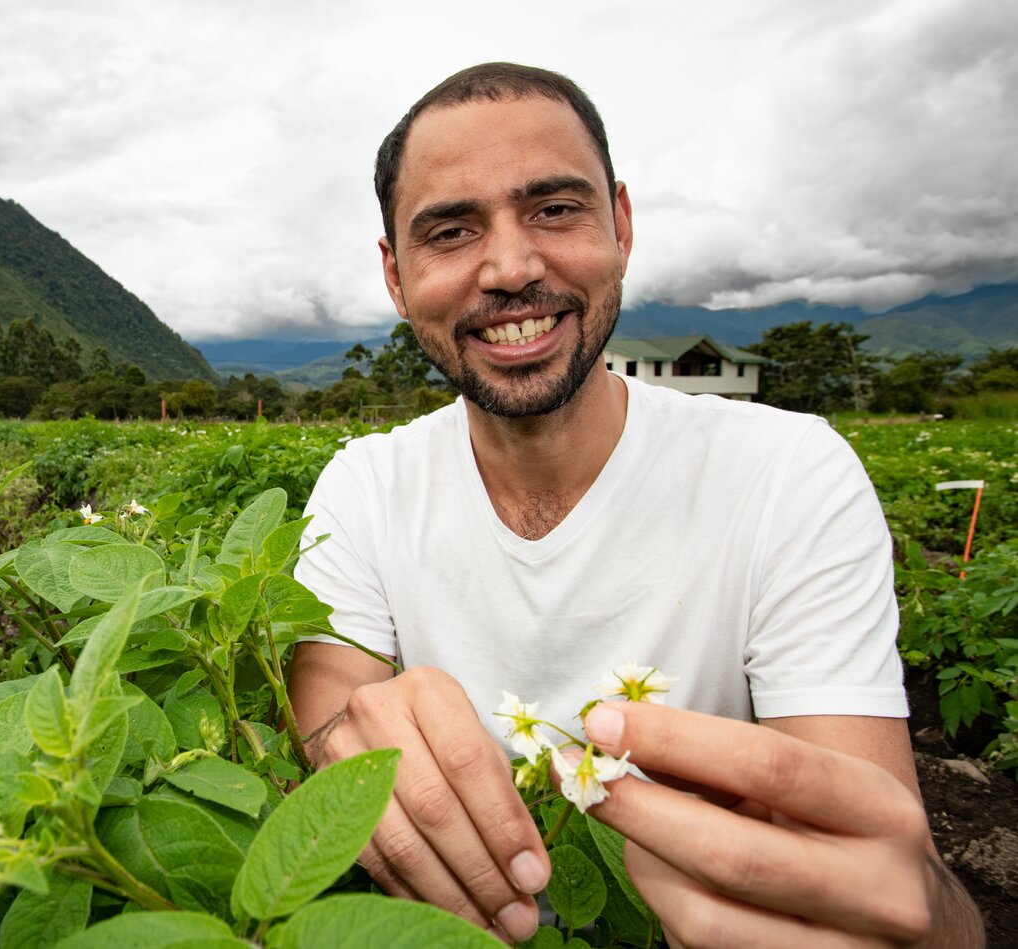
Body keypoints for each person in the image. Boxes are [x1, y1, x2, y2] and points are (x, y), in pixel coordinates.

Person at [287, 63, 983, 946]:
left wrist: (922, 917)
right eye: (451, 231)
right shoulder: (365, 484)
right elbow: (331, 718)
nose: (510, 267)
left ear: (620, 223)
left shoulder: (786, 474)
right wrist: (347, 737)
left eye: (555, 209)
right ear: (395, 275)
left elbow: (877, 870)